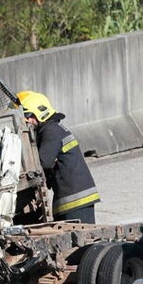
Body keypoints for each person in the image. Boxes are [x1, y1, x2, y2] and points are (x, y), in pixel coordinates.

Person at [16, 91, 99, 223]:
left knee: (81, 240)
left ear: (39, 113)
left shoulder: (50, 131)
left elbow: (43, 163)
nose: (26, 121)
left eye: (27, 115)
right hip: (73, 197)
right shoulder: (54, 128)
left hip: (75, 199)